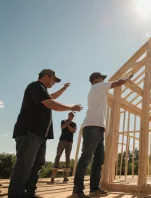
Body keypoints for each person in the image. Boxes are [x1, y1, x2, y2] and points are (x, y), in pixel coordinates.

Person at [8, 69, 82, 198]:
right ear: (46, 76)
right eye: (54, 80)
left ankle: (30, 192)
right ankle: (16, 194)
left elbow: (52, 96)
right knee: (25, 164)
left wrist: (63, 89)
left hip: (40, 135)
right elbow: (50, 103)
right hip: (29, 132)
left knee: (37, 165)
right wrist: (71, 107)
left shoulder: (42, 91)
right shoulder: (35, 86)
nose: (55, 83)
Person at [72, 72, 133, 198]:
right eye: (101, 78)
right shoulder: (98, 86)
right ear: (95, 79)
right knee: (86, 158)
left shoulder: (99, 90)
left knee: (99, 159)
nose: (103, 80)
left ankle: (94, 188)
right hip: (92, 127)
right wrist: (128, 77)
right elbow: (118, 83)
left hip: (98, 128)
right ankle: (77, 190)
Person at [51, 112, 77, 183]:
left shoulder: (74, 124)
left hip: (70, 141)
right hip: (62, 141)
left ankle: (65, 177)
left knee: (67, 158)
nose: (72, 116)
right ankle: (53, 176)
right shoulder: (63, 121)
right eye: (71, 115)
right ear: (68, 115)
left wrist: (68, 124)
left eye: (73, 115)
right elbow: (62, 127)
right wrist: (67, 123)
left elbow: (73, 131)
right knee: (58, 156)